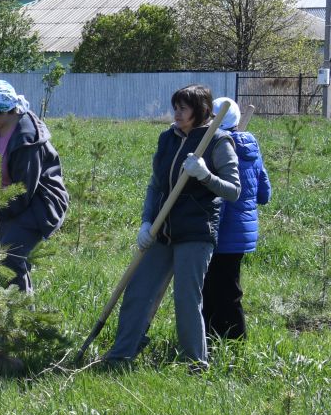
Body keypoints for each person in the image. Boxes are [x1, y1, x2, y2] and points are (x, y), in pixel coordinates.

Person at [98, 84, 241, 371]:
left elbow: (233, 190)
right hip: (161, 230)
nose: (176, 113)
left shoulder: (218, 141)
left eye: (183, 108)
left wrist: (204, 174)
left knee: (186, 299)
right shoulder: (168, 139)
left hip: (196, 232)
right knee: (138, 291)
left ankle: (195, 363)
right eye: (175, 107)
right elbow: (155, 185)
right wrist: (146, 221)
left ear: (200, 111)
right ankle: (121, 355)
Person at [0, 80, 68, 291]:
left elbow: (22, 192)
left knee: (8, 259)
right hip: (6, 203)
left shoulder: (27, 139)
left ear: (7, 111)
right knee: (7, 259)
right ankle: (15, 311)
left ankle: (18, 316)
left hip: (38, 204)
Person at [202, 97, 270, 342]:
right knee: (229, 288)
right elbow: (264, 194)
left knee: (212, 290)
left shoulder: (216, 147)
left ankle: (225, 341)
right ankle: (223, 340)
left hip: (219, 230)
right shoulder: (251, 147)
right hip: (242, 233)